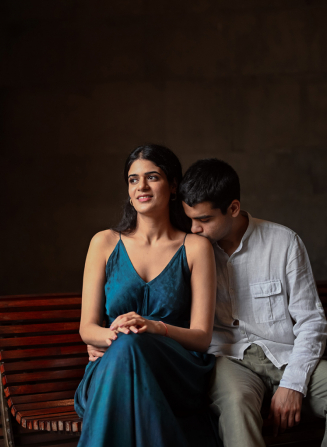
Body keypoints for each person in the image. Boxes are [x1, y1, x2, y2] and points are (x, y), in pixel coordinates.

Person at [177, 158, 327, 447]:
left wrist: (293, 384)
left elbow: (311, 321)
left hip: (284, 354)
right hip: (228, 356)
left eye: (204, 220)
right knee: (236, 404)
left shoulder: (283, 242)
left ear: (233, 208)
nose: (194, 229)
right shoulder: (191, 249)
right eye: (189, 219)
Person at [74, 145, 222, 447]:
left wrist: (152, 328)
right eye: (133, 179)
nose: (141, 186)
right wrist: (119, 337)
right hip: (112, 367)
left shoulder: (195, 248)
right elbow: (87, 329)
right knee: (128, 347)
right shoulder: (103, 243)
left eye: (152, 177)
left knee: (130, 346)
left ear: (173, 185)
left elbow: (202, 337)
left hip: (176, 371)